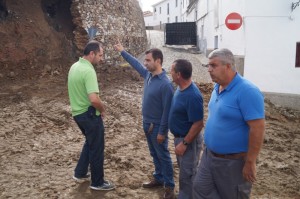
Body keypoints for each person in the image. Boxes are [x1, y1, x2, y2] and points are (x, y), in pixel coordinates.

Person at [193, 48, 265, 199]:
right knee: (200, 190)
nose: (209, 70)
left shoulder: (247, 91)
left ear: (228, 66)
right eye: (208, 66)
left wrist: (250, 162)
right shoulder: (217, 87)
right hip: (209, 156)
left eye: (213, 65)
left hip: (233, 162)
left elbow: (257, 128)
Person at [114, 40, 175, 199]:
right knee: (154, 153)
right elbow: (135, 64)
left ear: (158, 61)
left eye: (148, 60)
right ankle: (159, 177)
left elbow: (167, 112)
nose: (145, 63)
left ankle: (169, 187)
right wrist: (122, 51)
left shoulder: (166, 84)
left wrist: (162, 132)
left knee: (163, 155)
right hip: (146, 123)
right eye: (145, 60)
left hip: (157, 127)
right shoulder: (148, 75)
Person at [68, 40, 115, 191]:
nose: (101, 59)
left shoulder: (74, 67)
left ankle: (80, 173)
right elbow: (94, 99)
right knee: (96, 147)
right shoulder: (88, 71)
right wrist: (102, 110)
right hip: (89, 115)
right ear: (92, 54)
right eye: (100, 55)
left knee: (90, 142)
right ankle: (97, 182)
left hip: (77, 114)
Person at [168, 59, 204, 199]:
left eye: (171, 70)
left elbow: (198, 124)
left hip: (188, 141)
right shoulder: (180, 88)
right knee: (184, 172)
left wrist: (184, 144)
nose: (169, 73)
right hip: (180, 138)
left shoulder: (192, 95)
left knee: (188, 174)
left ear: (178, 75)